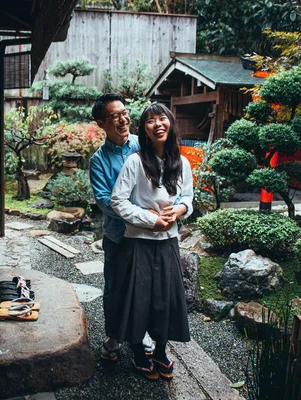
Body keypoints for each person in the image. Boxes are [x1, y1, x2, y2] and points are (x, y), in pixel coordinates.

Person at [109, 103, 194, 380]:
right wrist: (150, 220)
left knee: (165, 299)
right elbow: (117, 202)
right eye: (149, 121)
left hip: (168, 242)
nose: (157, 124)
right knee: (137, 298)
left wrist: (180, 210)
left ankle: (159, 351)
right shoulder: (135, 162)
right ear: (143, 130)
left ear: (170, 123)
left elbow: (188, 199)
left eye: (162, 118)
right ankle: (137, 351)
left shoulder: (182, 162)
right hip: (138, 242)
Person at [89, 94, 154, 361]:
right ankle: (114, 335)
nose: (123, 119)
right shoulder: (99, 160)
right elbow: (104, 200)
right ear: (101, 123)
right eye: (114, 116)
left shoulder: (145, 146)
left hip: (148, 233)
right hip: (117, 234)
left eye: (124, 113)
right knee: (115, 285)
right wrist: (138, 215)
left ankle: (143, 331)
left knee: (145, 286)